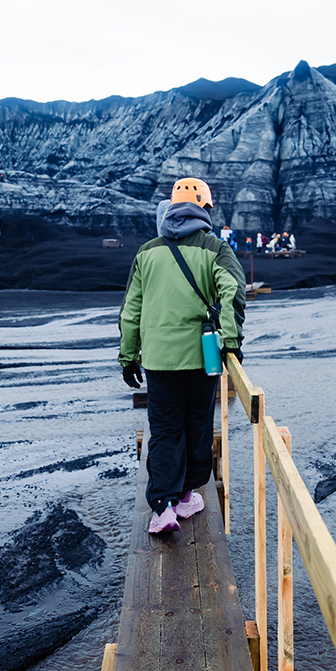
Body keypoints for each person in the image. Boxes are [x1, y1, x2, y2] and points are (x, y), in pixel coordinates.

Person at [119, 178, 247, 534]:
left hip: (158, 361)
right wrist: (232, 342)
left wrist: (128, 356)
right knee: (197, 426)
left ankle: (163, 508)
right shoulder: (216, 249)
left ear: (171, 208)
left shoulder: (147, 252)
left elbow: (131, 309)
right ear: (205, 209)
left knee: (163, 430)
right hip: (201, 358)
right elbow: (233, 292)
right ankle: (188, 495)